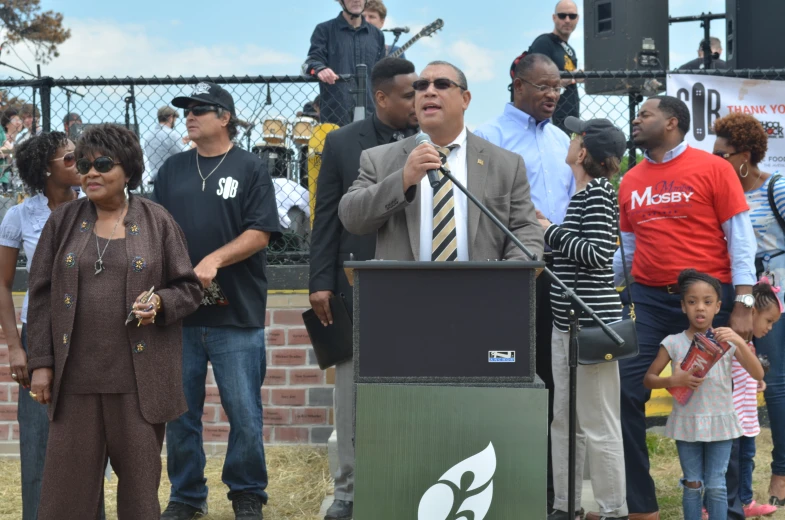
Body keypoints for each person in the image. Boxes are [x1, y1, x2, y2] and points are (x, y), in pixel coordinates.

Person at [25, 124, 203, 518]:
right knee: (65, 497)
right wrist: (41, 362)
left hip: (138, 384)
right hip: (75, 381)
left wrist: (159, 302)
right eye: (83, 164)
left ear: (129, 170)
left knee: (140, 495)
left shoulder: (157, 221)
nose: (91, 172)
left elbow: (189, 289)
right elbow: (40, 294)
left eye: (103, 163)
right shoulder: (64, 221)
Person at [614, 95, 757, 520]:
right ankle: (641, 506)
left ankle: (726, 507)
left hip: (708, 300)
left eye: (644, 115)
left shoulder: (714, 168)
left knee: (716, 399)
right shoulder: (631, 179)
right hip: (650, 301)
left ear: (672, 122)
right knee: (627, 388)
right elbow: (627, 249)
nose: (636, 121)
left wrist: (744, 301)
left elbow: (741, 238)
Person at [154, 82, 281, 520]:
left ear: (224, 117)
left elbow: (261, 232)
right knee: (180, 414)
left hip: (237, 313)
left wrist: (214, 258)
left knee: (244, 412)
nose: (189, 115)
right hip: (181, 312)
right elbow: (158, 230)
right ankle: (187, 496)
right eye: (186, 110)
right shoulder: (171, 169)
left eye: (200, 110)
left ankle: (247, 493)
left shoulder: (250, 168)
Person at [309, 56, 418, 520]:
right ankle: (349, 491)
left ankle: (413, 477)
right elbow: (326, 216)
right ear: (381, 97)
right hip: (355, 285)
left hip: (418, 287)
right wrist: (319, 283)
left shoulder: (433, 141)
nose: (421, 101)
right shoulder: (340, 142)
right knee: (351, 393)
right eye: (410, 94)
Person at [475, 52, 575, 510]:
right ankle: (506, 480)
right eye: (543, 86)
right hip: (513, 275)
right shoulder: (489, 138)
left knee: (554, 381)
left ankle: (550, 492)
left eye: (558, 86)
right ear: (517, 84)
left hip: (561, 272)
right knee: (512, 374)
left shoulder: (562, 142)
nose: (553, 94)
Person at [338, 60, 543, 262]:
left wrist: (508, 278)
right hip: (403, 292)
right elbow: (352, 217)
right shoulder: (378, 159)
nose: (429, 91)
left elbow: (525, 229)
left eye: (442, 84)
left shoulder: (507, 164)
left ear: (465, 99)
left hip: (482, 292)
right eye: (421, 86)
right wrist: (403, 180)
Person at [538, 117, 628, 520]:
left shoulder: (598, 195)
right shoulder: (582, 195)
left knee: (598, 424)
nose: (570, 140)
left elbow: (594, 254)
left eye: (576, 136)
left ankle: (612, 510)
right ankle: (565, 504)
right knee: (565, 420)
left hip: (590, 327)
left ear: (584, 151)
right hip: (567, 325)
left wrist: (548, 231)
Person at [0, 132, 81, 520]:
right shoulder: (20, 215)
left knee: (87, 440)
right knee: (36, 440)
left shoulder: (97, 207)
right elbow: (2, 283)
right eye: (69, 158)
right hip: (40, 335)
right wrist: (16, 346)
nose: (79, 162)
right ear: (44, 169)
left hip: (89, 335)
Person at [643, 270, 764, 520]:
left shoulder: (726, 341)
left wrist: (740, 342)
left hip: (721, 420)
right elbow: (649, 379)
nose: (700, 308)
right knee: (692, 484)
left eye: (707, 302)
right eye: (692, 301)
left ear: (718, 306)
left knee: (717, 484)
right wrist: (673, 380)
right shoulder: (673, 342)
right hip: (687, 422)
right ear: (683, 306)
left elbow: (757, 373)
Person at [712, 112, 785, 507]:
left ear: (745, 155)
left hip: (776, 302)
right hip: (743, 301)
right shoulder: (721, 191)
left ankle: (781, 474)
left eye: (722, 154)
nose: (715, 160)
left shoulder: (776, 188)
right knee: (755, 385)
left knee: (775, 385)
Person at [730, 277, 780, 517]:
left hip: (747, 420)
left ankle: (746, 502)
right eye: (768, 320)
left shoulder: (749, 344)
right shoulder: (733, 339)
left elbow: (745, 372)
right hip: (731, 421)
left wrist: (756, 379)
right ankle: (714, 505)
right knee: (728, 465)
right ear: (754, 311)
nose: (769, 328)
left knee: (746, 460)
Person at [304, 0, 385, 126]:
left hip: (370, 117)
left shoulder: (377, 35)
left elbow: (382, 76)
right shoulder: (324, 30)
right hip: (335, 117)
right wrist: (320, 69)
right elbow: (311, 62)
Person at [527, 0, 581, 133]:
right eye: (562, 15)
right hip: (549, 120)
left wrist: (573, 77)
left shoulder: (570, 50)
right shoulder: (544, 43)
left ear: (577, 19)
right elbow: (539, 83)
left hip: (569, 119)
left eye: (572, 16)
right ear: (554, 17)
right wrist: (574, 76)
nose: (567, 20)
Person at [143, 106, 185, 187]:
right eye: (175, 119)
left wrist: (181, 142)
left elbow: (163, 149)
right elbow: (185, 157)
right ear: (170, 117)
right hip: (172, 180)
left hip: (156, 180)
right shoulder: (172, 134)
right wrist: (195, 143)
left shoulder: (149, 137)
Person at [0, 108, 23, 193]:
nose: (18, 122)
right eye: (14, 120)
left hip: (17, 185)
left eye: (20, 119)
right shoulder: (2, 138)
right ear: (6, 124)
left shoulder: (20, 140)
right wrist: (10, 151)